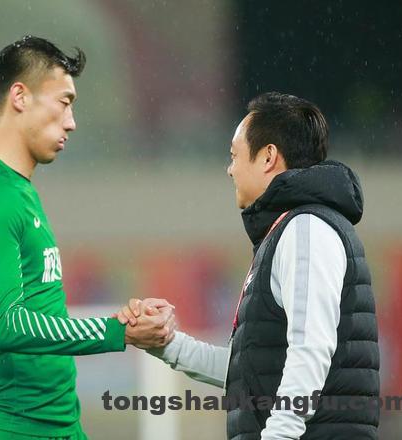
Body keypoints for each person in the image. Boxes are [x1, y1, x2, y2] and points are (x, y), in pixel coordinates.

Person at [0, 36, 175, 440]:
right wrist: (117, 332)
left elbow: (41, 313)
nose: (71, 122)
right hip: (9, 429)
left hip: (60, 423)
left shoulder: (19, 190)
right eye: (64, 102)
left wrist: (127, 321)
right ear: (20, 96)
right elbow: (6, 325)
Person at [118, 92, 380, 439]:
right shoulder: (289, 229)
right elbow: (251, 373)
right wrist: (166, 344)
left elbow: (311, 350)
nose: (230, 169)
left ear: (268, 156)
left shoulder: (306, 228)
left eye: (234, 156)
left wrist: (278, 435)